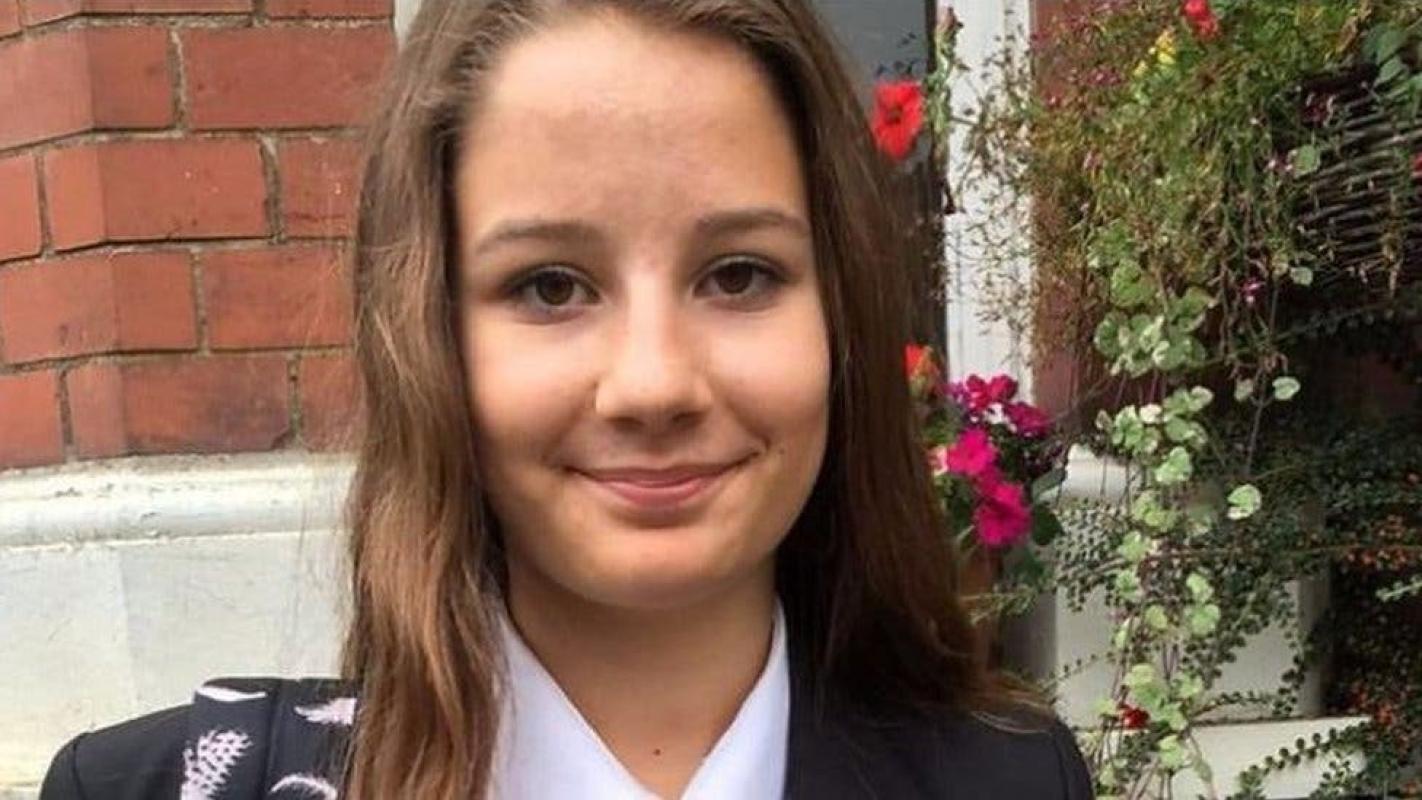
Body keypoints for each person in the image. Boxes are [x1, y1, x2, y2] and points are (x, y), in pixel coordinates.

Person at [40, 1, 1094, 798]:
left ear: (840, 319)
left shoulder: (1010, 781)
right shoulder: (154, 788)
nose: (654, 383)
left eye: (738, 274)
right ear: (430, 336)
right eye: (550, 286)